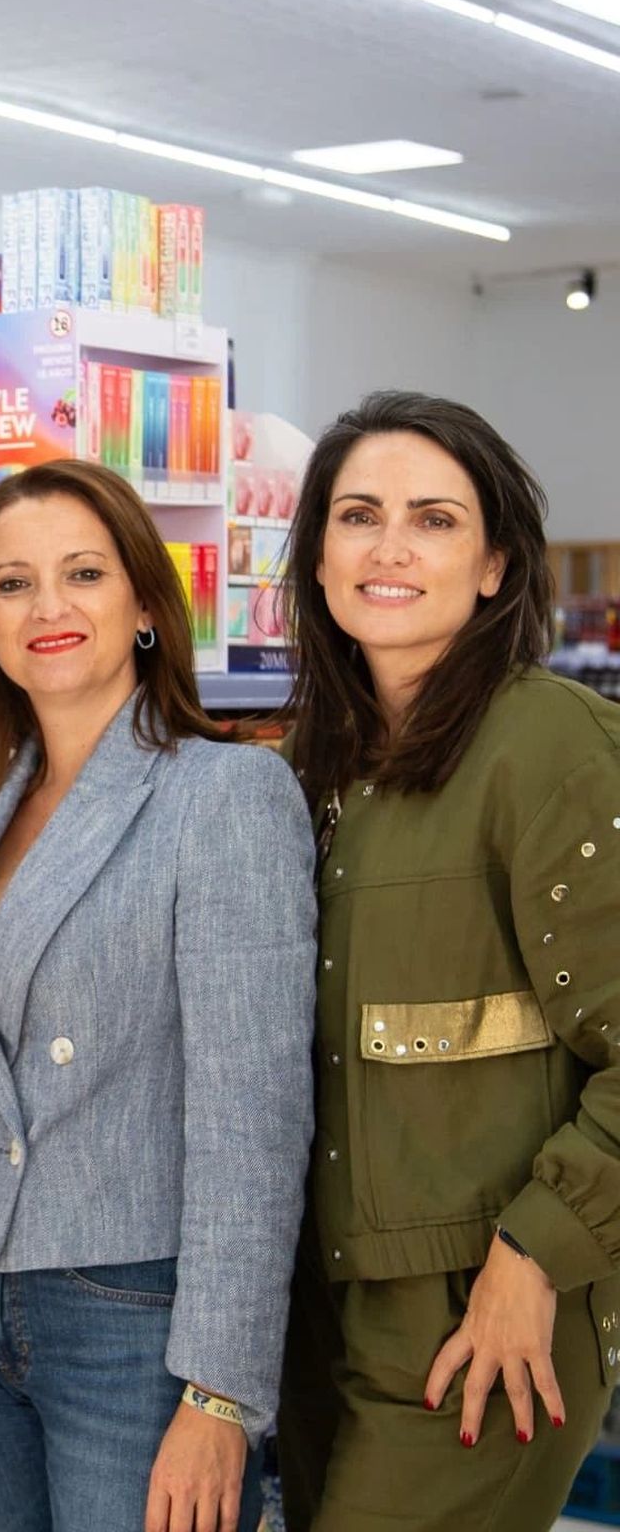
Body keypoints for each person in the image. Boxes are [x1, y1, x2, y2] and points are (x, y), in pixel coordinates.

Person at [0, 461, 318, 1532]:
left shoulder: (224, 793)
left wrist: (221, 1391)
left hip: (131, 1309)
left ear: (142, 602)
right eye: (11, 582)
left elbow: (254, 1117)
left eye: (82, 573)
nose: (47, 607)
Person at [273, 391, 620, 1532]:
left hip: (486, 1315)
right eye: (358, 515)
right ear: (317, 555)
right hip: (324, 1310)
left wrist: (534, 1259)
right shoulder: (315, 768)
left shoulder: (548, 743)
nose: (387, 546)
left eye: (432, 519)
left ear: (492, 567)